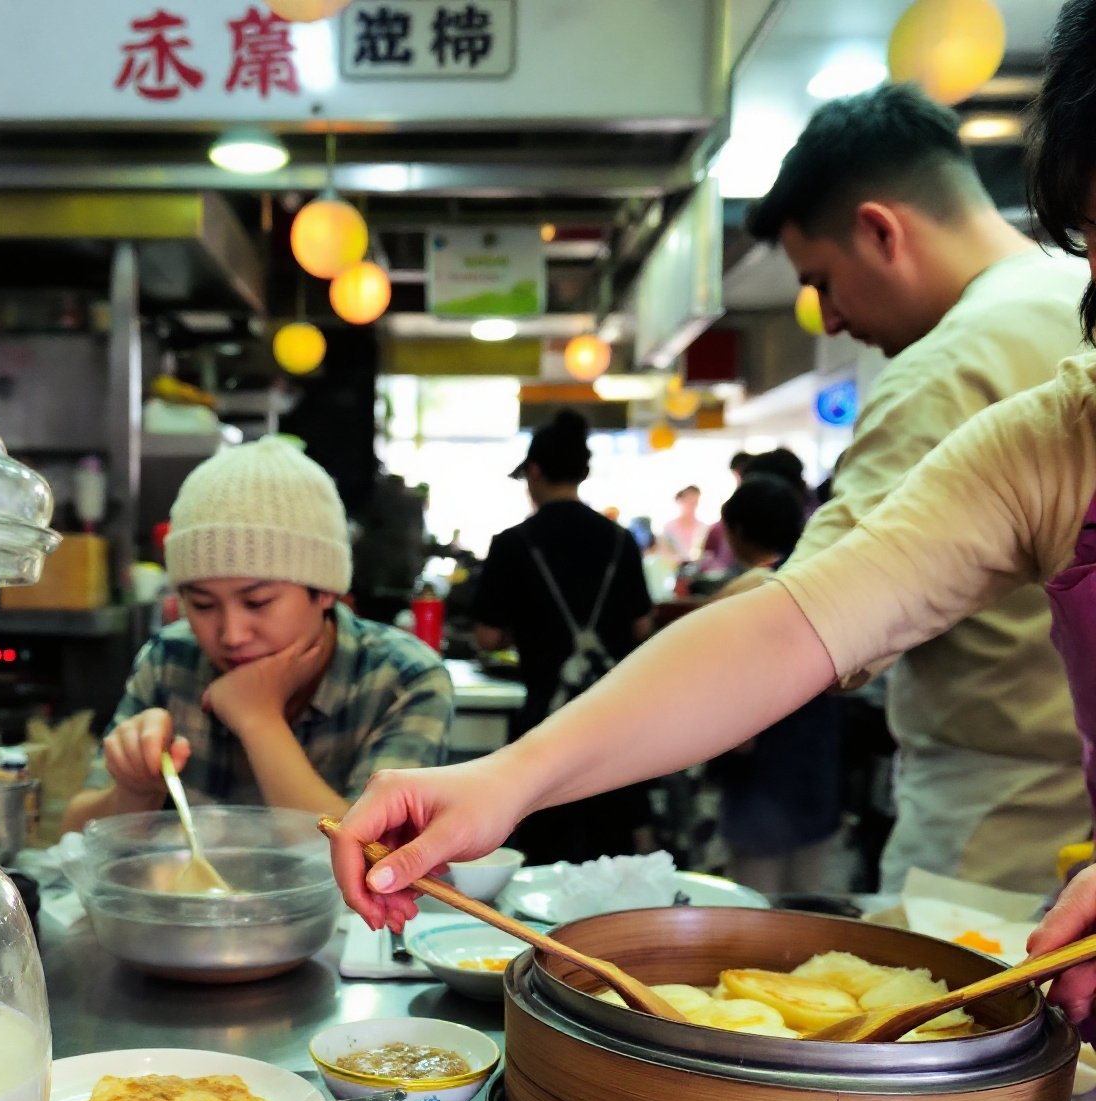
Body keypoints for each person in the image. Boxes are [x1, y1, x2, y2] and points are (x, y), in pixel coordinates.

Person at [323, 0, 1096, 1028]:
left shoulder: (964, 364)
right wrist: (503, 781)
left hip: (994, 834)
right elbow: (792, 626)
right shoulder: (1055, 437)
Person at [736, 83, 1090, 894]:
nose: (825, 318)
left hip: (996, 832)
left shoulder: (944, 370)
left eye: (820, 280)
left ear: (879, 230)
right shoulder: (1076, 299)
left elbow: (811, 633)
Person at [63, 436, 454, 830]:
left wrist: (258, 720)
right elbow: (73, 836)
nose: (231, 635)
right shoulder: (171, 660)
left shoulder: (405, 678)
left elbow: (378, 863)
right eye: (202, 604)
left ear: (325, 593)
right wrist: (134, 790)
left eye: (258, 602)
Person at [472, 410, 653, 861]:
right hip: (615, 725)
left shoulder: (512, 544)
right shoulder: (620, 541)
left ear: (534, 472)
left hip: (545, 724)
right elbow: (641, 628)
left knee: (543, 851)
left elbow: (488, 636)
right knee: (610, 852)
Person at [708, 479, 842, 893]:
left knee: (756, 901)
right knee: (810, 900)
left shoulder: (744, 595)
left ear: (739, 532)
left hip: (761, 770)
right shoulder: (825, 583)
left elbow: (730, 700)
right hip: (818, 759)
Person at [659, 485, 707, 563]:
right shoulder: (669, 527)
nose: (692, 505)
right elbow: (664, 553)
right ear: (680, 501)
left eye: (695, 502)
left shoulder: (703, 528)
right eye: (689, 501)